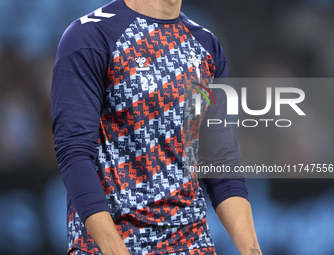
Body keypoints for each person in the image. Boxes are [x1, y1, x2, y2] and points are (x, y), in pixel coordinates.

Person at [51, 0, 262, 254]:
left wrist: (253, 251)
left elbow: (221, 164)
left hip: (191, 244)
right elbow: (74, 153)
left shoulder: (205, 45)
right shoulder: (90, 35)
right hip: (112, 246)